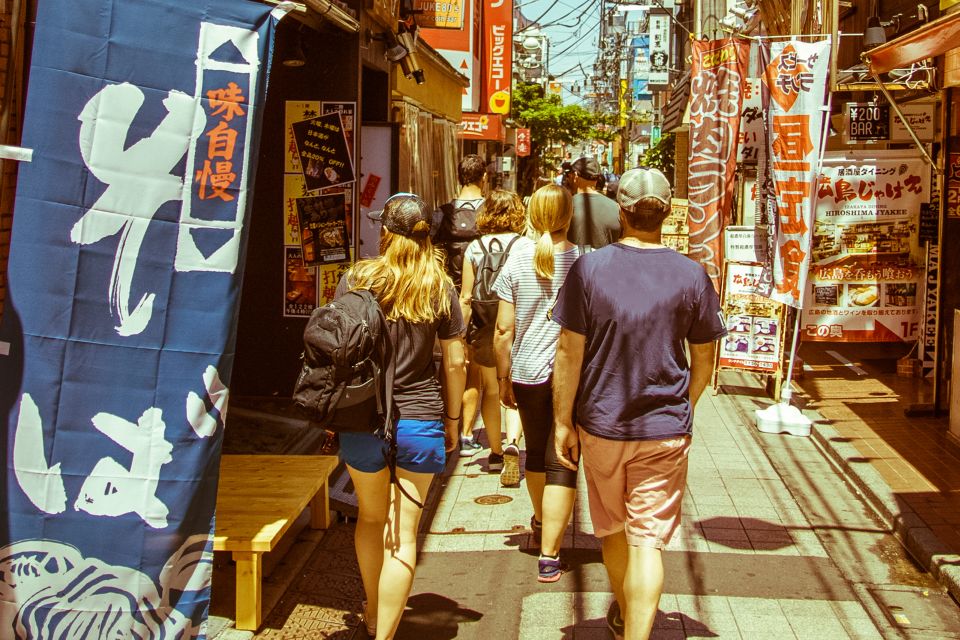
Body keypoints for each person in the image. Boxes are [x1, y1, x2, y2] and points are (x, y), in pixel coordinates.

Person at [550, 168, 726, 640]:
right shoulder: (692, 274)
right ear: (666, 213)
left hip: (601, 422)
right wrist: (682, 403)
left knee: (611, 529)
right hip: (665, 428)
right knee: (648, 540)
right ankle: (636, 630)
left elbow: (568, 351)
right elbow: (705, 359)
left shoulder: (589, 269)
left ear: (622, 212)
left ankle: (628, 616)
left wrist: (562, 421)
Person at [341, 193, 467, 640]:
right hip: (421, 419)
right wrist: (454, 421)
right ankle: (385, 633)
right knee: (403, 533)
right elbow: (454, 362)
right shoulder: (440, 286)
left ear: (385, 234)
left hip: (361, 419)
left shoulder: (357, 280)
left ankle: (374, 614)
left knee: (371, 520)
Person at [493, 184, 581, 583]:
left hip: (526, 373)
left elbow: (502, 329)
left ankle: (542, 522)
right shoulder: (583, 261)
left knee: (534, 450)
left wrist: (503, 377)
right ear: (568, 216)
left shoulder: (515, 261)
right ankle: (550, 553)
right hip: (573, 377)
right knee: (563, 455)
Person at [458, 190, 526, 481]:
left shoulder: (474, 248)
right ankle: (513, 441)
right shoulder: (526, 246)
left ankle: (496, 454)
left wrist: (460, 335)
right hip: (518, 323)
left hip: (486, 328)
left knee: (491, 387)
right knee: (514, 390)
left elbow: (465, 297)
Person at [435, 154, 486, 292]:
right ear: (484, 177)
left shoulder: (442, 213)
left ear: (459, 178)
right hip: (484, 294)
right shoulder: (490, 213)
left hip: (449, 291)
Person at [566, 156, 621, 251]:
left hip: (573, 264)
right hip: (607, 264)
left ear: (575, 176)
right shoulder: (616, 208)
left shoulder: (565, 206)